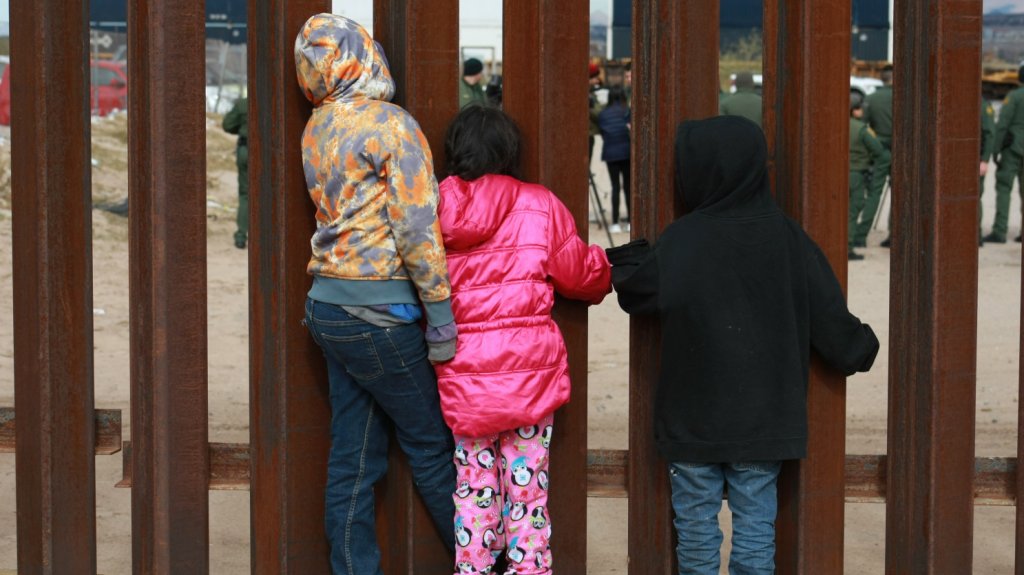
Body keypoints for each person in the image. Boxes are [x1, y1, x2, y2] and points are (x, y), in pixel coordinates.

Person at [607, 116, 879, 575]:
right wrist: (859, 348)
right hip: (764, 418)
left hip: (692, 419)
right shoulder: (787, 236)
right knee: (755, 529)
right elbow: (829, 316)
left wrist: (630, 255)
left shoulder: (684, 238)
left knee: (696, 530)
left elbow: (638, 294)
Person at [294, 14, 458, 574]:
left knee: (354, 457)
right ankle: (486, 562)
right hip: (378, 312)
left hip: (327, 307)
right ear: (364, 55)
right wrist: (440, 315)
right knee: (433, 447)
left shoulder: (317, 125)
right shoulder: (391, 125)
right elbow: (416, 225)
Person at [435, 105, 612, 574]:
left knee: (473, 486)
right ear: (509, 151)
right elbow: (579, 274)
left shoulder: (433, 208)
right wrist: (606, 268)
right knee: (528, 491)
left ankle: (473, 567)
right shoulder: (539, 203)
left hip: (465, 376)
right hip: (529, 377)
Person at [848, 96, 890, 259]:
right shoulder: (861, 129)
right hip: (857, 174)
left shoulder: (838, 124)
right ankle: (850, 244)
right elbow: (879, 152)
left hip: (843, 172)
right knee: (854, 208)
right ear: (854, 110)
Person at [989, 63, 1024, 244]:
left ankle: (1000, 231)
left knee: (1004, 188)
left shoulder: (1014, 97)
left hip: (1013, 149)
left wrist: (995, 150)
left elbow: (1002, 124)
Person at [862, 65, 893, 247]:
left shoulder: (871, 98)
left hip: (879, 149)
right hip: (901, 149)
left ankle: (861, 235)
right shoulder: (905, 97)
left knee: (874, 192)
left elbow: (863, 126)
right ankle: (895, 234)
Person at [598, 86, 632, 233]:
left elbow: (602, 132)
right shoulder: (627, 111)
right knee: (628, 187)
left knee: (615, 187)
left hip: (610, 153)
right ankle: (630, 221)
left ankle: (615, 222)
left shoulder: (603, 113)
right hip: (626, 152)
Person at [222, 96, 249, 249]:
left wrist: (241, 128)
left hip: (245, 149)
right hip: (267, 152)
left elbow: (227, 125)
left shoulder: (243, 103)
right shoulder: (272, 103)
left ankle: (241, 236)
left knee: (245, 194)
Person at [980, 96, 996, 245]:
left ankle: (975, 235)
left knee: (974, 197)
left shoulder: (983, 105)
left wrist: (985, 160)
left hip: (977, 160)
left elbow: (990, 134)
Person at [588, 62, 603, 162]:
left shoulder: (591, 93)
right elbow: (597, 114)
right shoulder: (589, 95)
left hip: (590, 133)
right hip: (588, 134)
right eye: (595, 78)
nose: (597, 81)